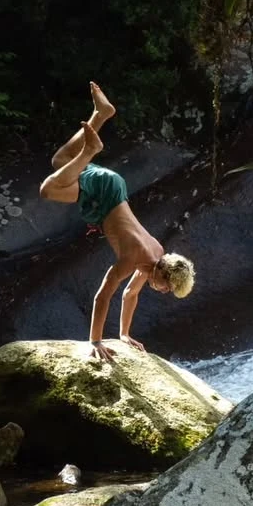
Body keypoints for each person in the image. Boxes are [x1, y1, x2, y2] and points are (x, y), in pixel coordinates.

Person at [38, 82, 195, 361]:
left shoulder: (155, 255)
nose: (162, 292)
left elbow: (129, 296)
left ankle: (101, 114)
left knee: (60, 160)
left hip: (113, 191)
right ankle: (90, 149)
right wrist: (95, 341)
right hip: (104, 196)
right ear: (163, 276)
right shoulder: (138, 256)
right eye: (167, 288)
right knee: (48, 189)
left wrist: (124, 335)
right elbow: (104, 295)